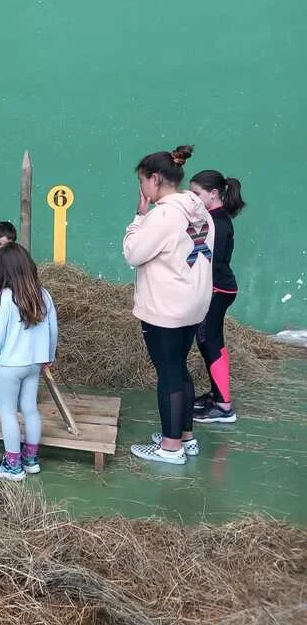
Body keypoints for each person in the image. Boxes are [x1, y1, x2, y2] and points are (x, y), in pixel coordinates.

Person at [123, 145, 213, 465]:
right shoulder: (200, 210)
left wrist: (139, 216)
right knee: (179, 366)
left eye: (142, 182)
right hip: (193, 304)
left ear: (156, 179)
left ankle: (170, 447)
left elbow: (133, 253)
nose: (142, 189)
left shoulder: (162, 215)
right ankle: (185, 437)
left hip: (166, 307)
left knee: (169, 372)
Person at [0, 243, 58, 481]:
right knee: (30, 409)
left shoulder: (3, 298)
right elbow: (53, 330)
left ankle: (13, 466)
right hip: (34, 364)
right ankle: (31, 459)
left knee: (7, 413)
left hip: (9, 366)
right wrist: (48, 356)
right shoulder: (43, 295)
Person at [189, 169, 246, 424]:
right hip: (217, 288)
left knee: (209, 340)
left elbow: (208, 261)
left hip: (218, 289)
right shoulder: (213, 218)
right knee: (207, 341)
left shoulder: (218, 223)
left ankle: (223, 407)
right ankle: (217, 395)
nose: (192, 198)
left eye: (196, 193)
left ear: (213, 194)